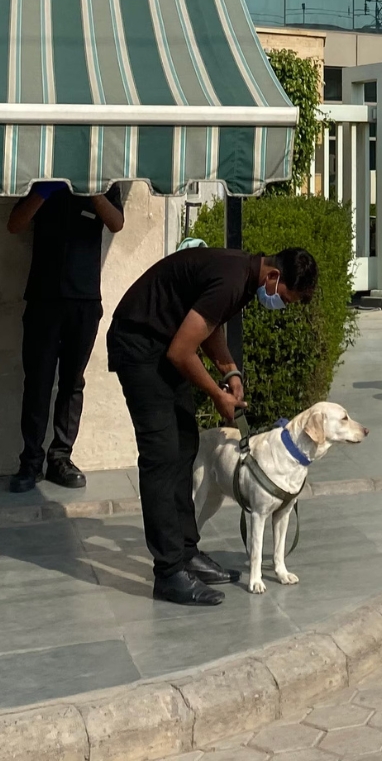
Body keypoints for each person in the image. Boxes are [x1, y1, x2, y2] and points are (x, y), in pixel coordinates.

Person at [107, 244, 318, 606]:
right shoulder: (232, 280)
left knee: (185, 444)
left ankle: (187, 552)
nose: (281, 305)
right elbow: (181, 351)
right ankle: (169, 572)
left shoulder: (244, 277)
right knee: (162, 456)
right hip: (140, 345)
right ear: (273, 276)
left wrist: (229, 370)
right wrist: (218, 396)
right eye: (285, 298)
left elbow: (207, 325)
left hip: (163, 343)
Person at [8, 181, 125, 493]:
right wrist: (44, 192)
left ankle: (60, 457)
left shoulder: (104, 178)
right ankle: (30, 462)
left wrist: (92, 191)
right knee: (38, 382)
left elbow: (116, 222)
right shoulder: (43, 174)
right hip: (43, 299)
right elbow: (14, 224)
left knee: (73, 382)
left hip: (84, 300)